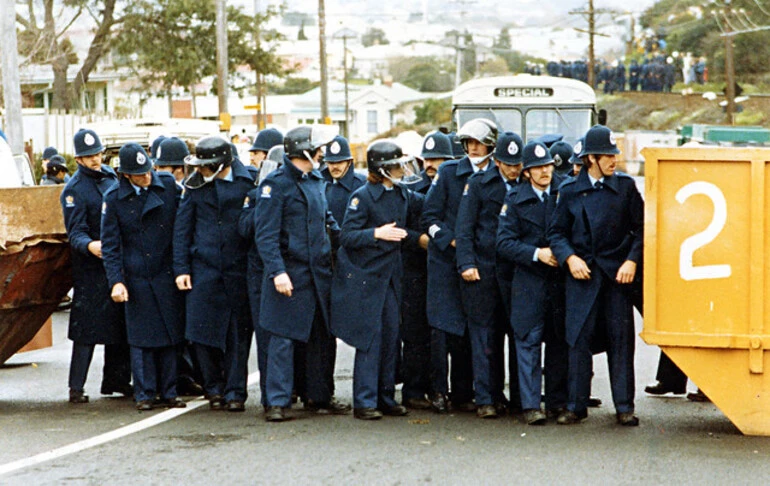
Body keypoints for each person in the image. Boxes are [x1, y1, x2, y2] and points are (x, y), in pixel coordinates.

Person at [548, 125, 644, 427]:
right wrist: (570, 258)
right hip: (583, 276)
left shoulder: (625, 188)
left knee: (621, 341)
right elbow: (557, 232)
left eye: (614, 155)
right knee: (578, 341)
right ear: (591, 159)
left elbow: (642, 229)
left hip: (617, 278)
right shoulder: (569, 190)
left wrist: (631, 261)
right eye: (607, 155)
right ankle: (576, 406)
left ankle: (624, 406)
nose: (614, 161)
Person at [255, 125, 350, 422]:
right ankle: (277, 401)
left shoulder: (315, 180)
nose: (322, 153)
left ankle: (319, 396)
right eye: (318, 148)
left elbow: (327, 221)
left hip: (318, 273)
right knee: (282, 339)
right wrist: (277, 272)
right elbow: (266, 235)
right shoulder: (275, 184)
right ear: (303, 150)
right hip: (291, 272)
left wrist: (347, 240)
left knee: (321, 338)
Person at [331, 140, 425, 420]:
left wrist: (417, 238)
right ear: (381, 169)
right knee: (371, 338)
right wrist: (375, 234)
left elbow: (405, 227)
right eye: (395, 165)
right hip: (368, 276)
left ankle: (385, 397)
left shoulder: (402, 194)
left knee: (390, 337)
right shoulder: (363, 196)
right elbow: (346, 237)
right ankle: (364, 401)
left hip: (392, 276)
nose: (400, 170)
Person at [101, 142, 186, 411]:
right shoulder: (114, 198)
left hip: (166, 271)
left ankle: (170, 391)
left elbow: (180, 230)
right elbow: (111, 245)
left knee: (171, 335)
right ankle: (145, 393)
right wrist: (116, 280)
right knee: (141, 340)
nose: (147, 177)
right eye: (139, 174)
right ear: (126, 175)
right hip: (137, 274)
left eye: (148, 171)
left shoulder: (168, 186)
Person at [421, 118, 498, 414]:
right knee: (442, 329)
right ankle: (439, 390)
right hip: (445, 262)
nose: (474, 148)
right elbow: (429, 217)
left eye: (479, 143)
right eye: (469, 143)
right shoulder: (449, 172)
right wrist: (450, 241)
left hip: (480, 263)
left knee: (474, 329)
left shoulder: (497, 173)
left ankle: (466, 392)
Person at [173, 136, 255, 412]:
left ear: (222, 165)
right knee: (200, 333)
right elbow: (182, 230)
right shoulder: (194, 186)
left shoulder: (249, 182)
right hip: (203, 269)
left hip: (238, 269)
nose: (201, 171)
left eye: (206, 166)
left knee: (237, 336)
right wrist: (181, 268)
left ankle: (235, 392)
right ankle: (213, 388)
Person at [455, 130, 526, 419]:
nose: (513, 169)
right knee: (485, 338)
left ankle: (521, 399)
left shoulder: (527, 183)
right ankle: (487, 397)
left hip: (517, 273)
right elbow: (464, 228)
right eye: (508, 164)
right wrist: (466, 264)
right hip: (483, 271)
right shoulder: (478, 184)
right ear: (497, 161)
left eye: (518, 164)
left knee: (518, 336)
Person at [497, 141, 568, 425]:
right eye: (537, 168)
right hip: (529, 281)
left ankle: (557, 403)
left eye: (548, 166)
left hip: (559, 281)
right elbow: (503, 243)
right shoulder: (515, 200)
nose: (544, 172)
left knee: (558, 343)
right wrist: (537, 254)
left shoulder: (564, 193)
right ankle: (530, 405)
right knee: (527, 342)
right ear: (526, 173)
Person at [60, 128, 132, 404]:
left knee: (120, 325)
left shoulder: (111, 178)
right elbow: (75, 231)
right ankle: (76, 386)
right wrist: (91, 245)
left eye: (98, 154)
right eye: (89, 156)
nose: (95, 160)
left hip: (116, 262)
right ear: (78, 159)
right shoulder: (74, 190)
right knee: (87, 330)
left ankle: (116, 380)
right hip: (91, 268)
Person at [399, 131, 453, 410]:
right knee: (416, 334)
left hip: (445, 269)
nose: (431, 164)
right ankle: (414, 390)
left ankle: (444, 390)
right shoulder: (411, 188)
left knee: (444, 335)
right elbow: (398, 227)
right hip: (416, 269)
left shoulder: (454, 185)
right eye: (427, 159)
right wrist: (417, 239)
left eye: (438, 159)